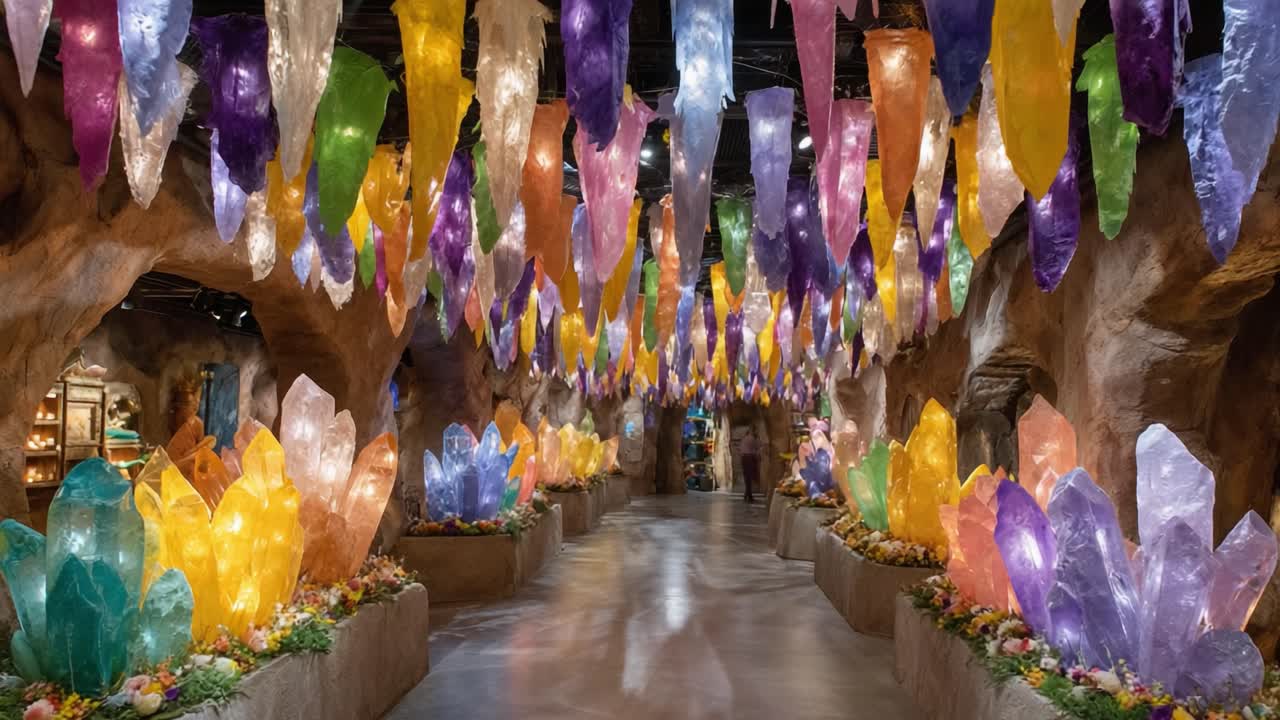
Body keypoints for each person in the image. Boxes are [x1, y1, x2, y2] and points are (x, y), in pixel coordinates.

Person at [739, 427, 761, 503]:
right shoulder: (753, 439)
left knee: (747, 477)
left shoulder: (744, 439)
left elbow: (741, 449)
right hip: (750, 458)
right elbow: (757, 449)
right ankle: (748, 494)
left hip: (744, 458)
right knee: (750, 476)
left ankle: (747, 494)